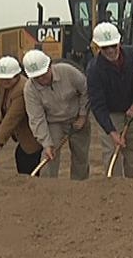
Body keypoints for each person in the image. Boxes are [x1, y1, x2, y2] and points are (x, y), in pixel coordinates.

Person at [87, 22, 133, 178]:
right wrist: (111, 132)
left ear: (119, 42)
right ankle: (115, 190)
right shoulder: (94, 70)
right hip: (110, 114)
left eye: (113, 46)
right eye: (105, 47)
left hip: (132, 110)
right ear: (98, 47)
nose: (110, 50)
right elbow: (98, 105)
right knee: (111, 153)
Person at [23, 49, 91, 180]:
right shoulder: (30, 90)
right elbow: (36, 118)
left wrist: (83, 115)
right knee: (48, 156)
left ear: (50, 66)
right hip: (54, 122)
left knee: (80, 156)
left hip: (77, 118)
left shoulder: (68, 71)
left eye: (43, 74)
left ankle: (80, 187)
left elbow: (86, 90)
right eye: (36, 77)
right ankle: (47, 188)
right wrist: (46, 143)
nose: (41, 80)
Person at [0, 56, 42, 174]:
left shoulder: (22, 89)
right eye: (3, 78)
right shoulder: (1, 84)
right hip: (20, 133)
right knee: (21, 156)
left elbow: (12, 118)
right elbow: (4, 109)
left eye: (9, 78)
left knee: (27, 159)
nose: (5, 81)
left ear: (17, 75)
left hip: (32, 133)